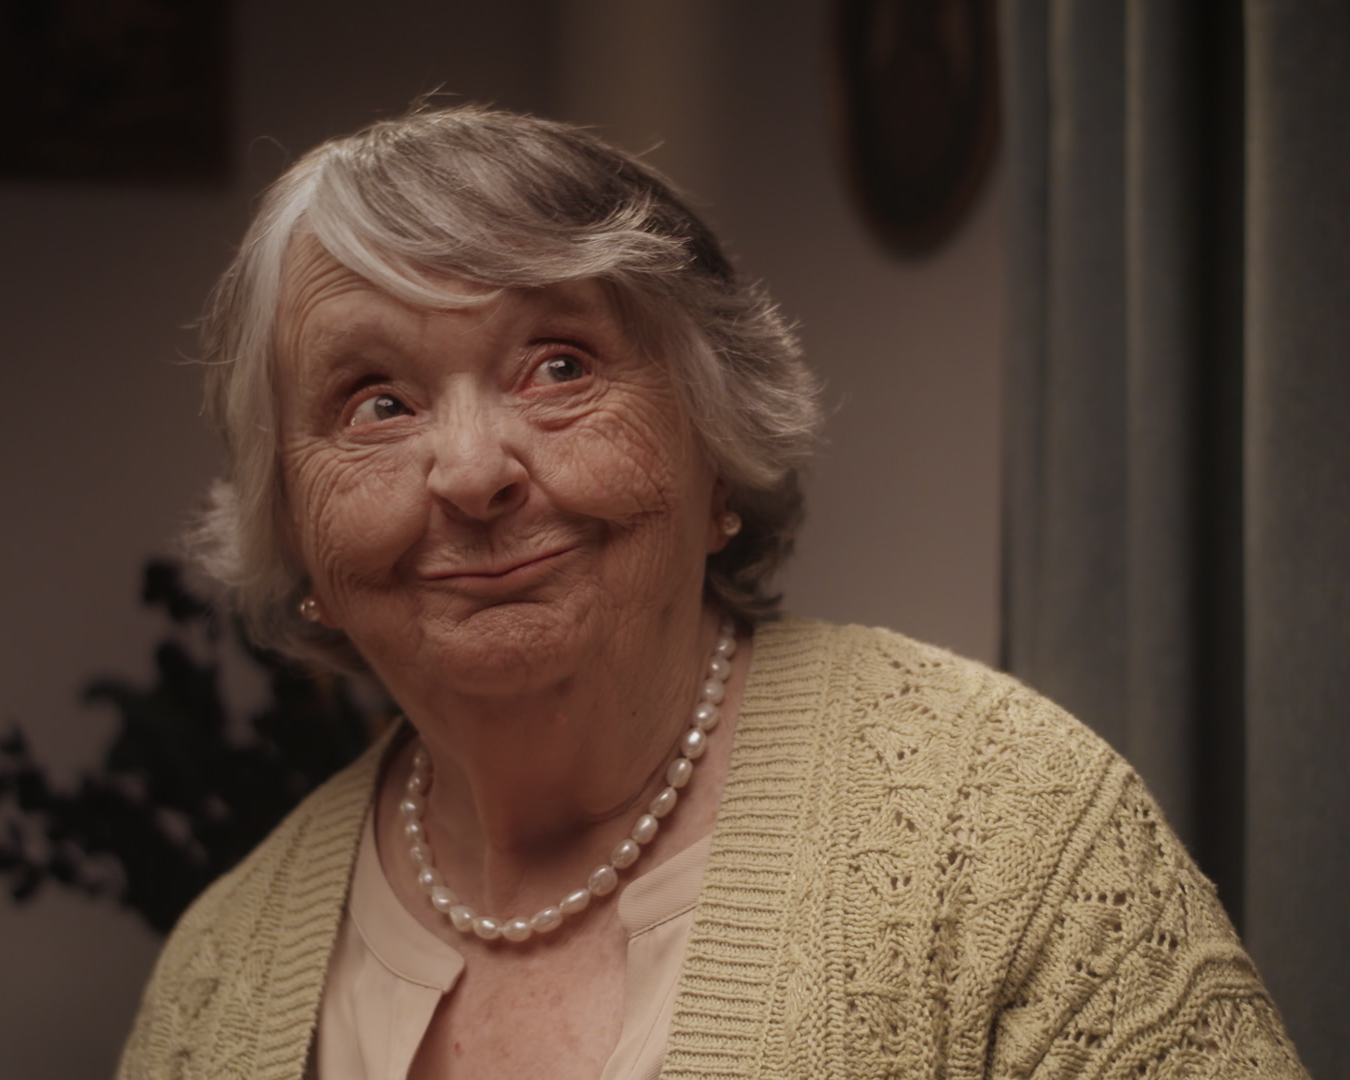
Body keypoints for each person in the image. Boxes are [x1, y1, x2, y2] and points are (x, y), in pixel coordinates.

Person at [116, 105, 1306, 1080]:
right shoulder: (221, 971)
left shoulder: (1008, 829)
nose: (473, 472)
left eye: (559, 366)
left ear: (718, 448)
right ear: (297, 535)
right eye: (378, 403)